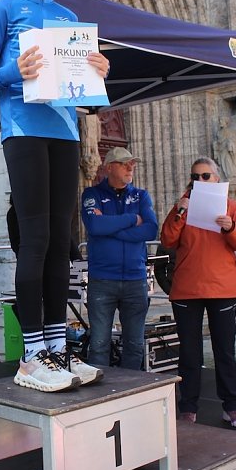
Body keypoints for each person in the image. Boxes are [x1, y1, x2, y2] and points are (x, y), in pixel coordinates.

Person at [0, 0, 109, 392]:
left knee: (58, 244)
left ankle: (56, 350)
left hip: (65, 132)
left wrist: (97, 72)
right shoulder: (4, 9)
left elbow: (83, 95)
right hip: (24, 130)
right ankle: (30, 357)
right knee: (33, 242)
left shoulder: (70, 18)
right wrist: (16, 68)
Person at [160, 156, 236, 427]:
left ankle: (232, 406)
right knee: (189, 352)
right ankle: (188, 407)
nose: (199, 180)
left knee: (224, 350)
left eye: (205, 176)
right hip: (188, 288)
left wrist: (230, 227)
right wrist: (179, 212)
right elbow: (167, 239)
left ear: (216, 178)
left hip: (223, 287)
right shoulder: (182, 206)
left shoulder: (231, 206)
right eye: (195, 176)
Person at [81, 147, 158, 370]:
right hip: (103, 280)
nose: (130, 167)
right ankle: (101, 397)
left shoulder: (141, 195)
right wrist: (133, 218)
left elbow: (151, 230)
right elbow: (95, 226)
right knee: (99, 343)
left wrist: (111, 227)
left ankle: (130, 392)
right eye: (124, 163)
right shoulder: (92, 194)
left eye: (132, 163)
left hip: (135, 279)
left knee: (134, 345)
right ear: (109, 167)